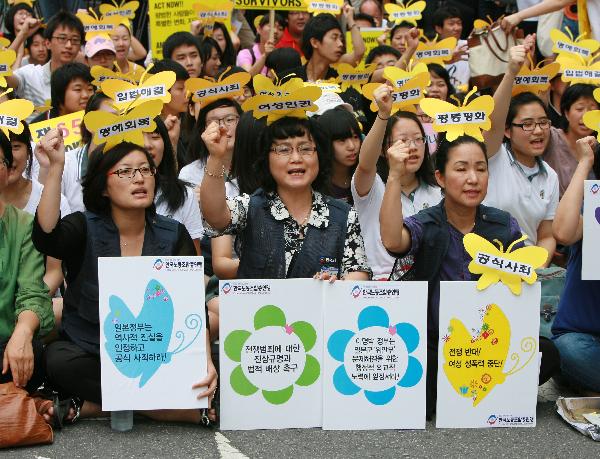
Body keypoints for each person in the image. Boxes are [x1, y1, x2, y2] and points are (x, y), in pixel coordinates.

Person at [32, 131, 218, 425]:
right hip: (93, 351)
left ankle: (94, 406)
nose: (139, 178)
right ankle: (162, 409)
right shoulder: (83, 227)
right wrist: (54, 170)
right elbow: (47, 238)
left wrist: (204, 361)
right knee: (56, 360)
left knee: (218, 367)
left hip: (158, 354)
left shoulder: (173, 234)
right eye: (125, 172)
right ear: (104, 187)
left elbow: (192, 304)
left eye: (145, 169)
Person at [379, 134, 560, 416]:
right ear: (440, 177)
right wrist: (393, 176)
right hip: (437, 342)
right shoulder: (426, 223)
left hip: (491, 343)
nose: (473, 178)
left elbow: (522, 283)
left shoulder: (502, 224)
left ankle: (467, 392)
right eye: (461, 169)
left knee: (546, 353)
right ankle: (466, 393)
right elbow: (392, 240)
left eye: (481, 168)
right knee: (414, 368)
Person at [200, 115, 372, 281]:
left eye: (305, 149)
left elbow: (358, 272)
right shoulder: (249, 207)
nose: (296, 158)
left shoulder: (344, 216)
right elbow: (215, 217)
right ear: (266, 159)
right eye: (283, 150)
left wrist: (338, 285)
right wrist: (216, 157)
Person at [352, 84, 441, 279]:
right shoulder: (373, 186)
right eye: (403, 140)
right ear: (384, 149)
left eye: (419, 139)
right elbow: (366, 163)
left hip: (429, 285)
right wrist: (383, 115)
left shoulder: (438, 189)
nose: (413, 147)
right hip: (380, 290)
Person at [0, 129, 54, 393]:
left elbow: (32, 292)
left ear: (7, 170)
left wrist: (22, 331)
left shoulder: (23, 225)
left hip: (5, 340)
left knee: (30, 350)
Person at [552, 135, 600, 396]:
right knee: (570, 350)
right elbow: (562, 232)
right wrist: (584, 163)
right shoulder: (593, 210)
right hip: (584, 337)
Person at [145, 116, 203, 255]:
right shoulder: (112, 195)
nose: (147, 144)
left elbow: (193, 264)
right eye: (138, 137)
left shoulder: (184, 195)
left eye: (154, 136)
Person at [7, 11, 85, 110]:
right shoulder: (30, 74)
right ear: (48, 43)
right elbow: (2, 73)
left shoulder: (85, 81)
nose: (69, 45)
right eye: (62, 38)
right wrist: (22, 35)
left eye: (75, 40)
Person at [544, 83, 599, 197]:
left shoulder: (598, 146)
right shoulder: (551, 137)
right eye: (579, 109)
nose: (585, 116)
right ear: (566, 113)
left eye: (592, 110)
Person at [179, 98, 242, 190]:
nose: (223, 126)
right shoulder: (190, 174)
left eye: (229, 120)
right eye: (214, 122)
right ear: (204, 129)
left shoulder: (258, 166)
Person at [316, 106, 361, 204]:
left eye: (355, 137)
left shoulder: (368, 176)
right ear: (326, 142)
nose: (352, 146)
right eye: (342, 140)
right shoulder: (315, 184)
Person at [432, 6, 469, 90]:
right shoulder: (430, 51)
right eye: (451, 24)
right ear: (439, 28)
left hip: (465, 98)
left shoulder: (469, 46)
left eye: (459, 23)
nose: (457, 28)